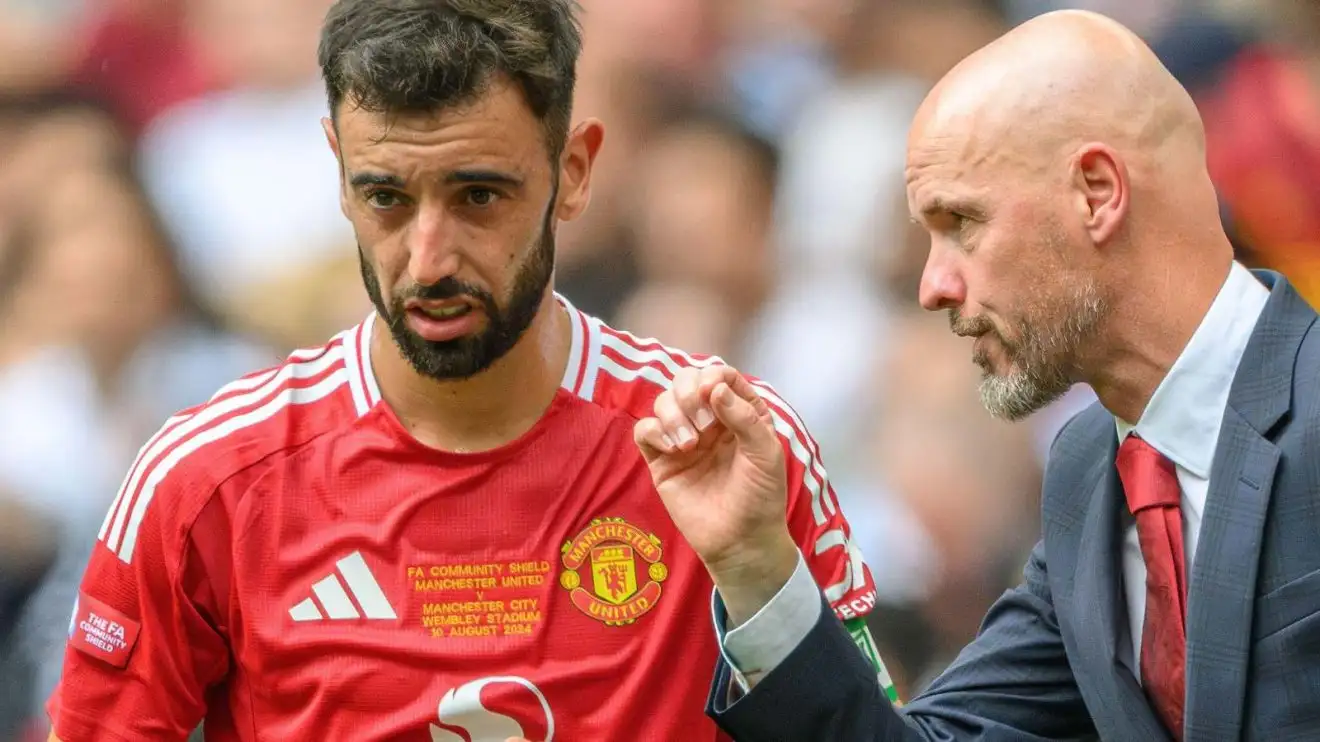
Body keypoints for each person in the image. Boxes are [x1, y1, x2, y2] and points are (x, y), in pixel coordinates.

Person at [43, 1, 885, 740]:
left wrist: (757, 576)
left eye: (478, 195)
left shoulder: (722, 448)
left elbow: (872, 734)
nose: (429, 257)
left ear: (574, 173)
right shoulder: (207, 481)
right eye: (386, 198)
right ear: (337, 171)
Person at [634, 9, 1320, 742]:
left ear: (1096, 192)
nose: (933, 286)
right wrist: (756, 567)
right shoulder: (1090, 478)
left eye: (960, 222)